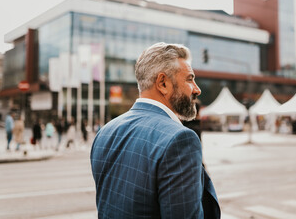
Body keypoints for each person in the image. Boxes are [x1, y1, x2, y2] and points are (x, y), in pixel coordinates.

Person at [91, 42, 220, 218]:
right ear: (163, 83)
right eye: (190, 79)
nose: (197, 89)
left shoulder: (105, 132)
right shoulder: (180, 139)